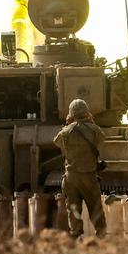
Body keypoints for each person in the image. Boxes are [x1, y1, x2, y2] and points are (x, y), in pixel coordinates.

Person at [53, 98, 107, 238]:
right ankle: (101, 235)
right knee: (95, 207)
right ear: (86, 112)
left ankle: (76, 234)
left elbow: (57, 142)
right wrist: (90, 121)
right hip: (89, 177)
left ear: (71, 114)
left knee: (73, 209)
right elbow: (101, 138)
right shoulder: (94, 130)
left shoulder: (65, 132)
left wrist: (67, 124)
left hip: (71, 178)